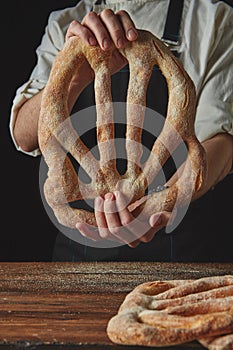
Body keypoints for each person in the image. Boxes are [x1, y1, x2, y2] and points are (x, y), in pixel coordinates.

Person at [9, 0, 233, 262]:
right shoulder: (65, 24)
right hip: (78, 260)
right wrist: (77, 78)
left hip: (179, 251)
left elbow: (222, 141)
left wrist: (158, 203)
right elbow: (24, 135)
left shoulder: (211, 18)